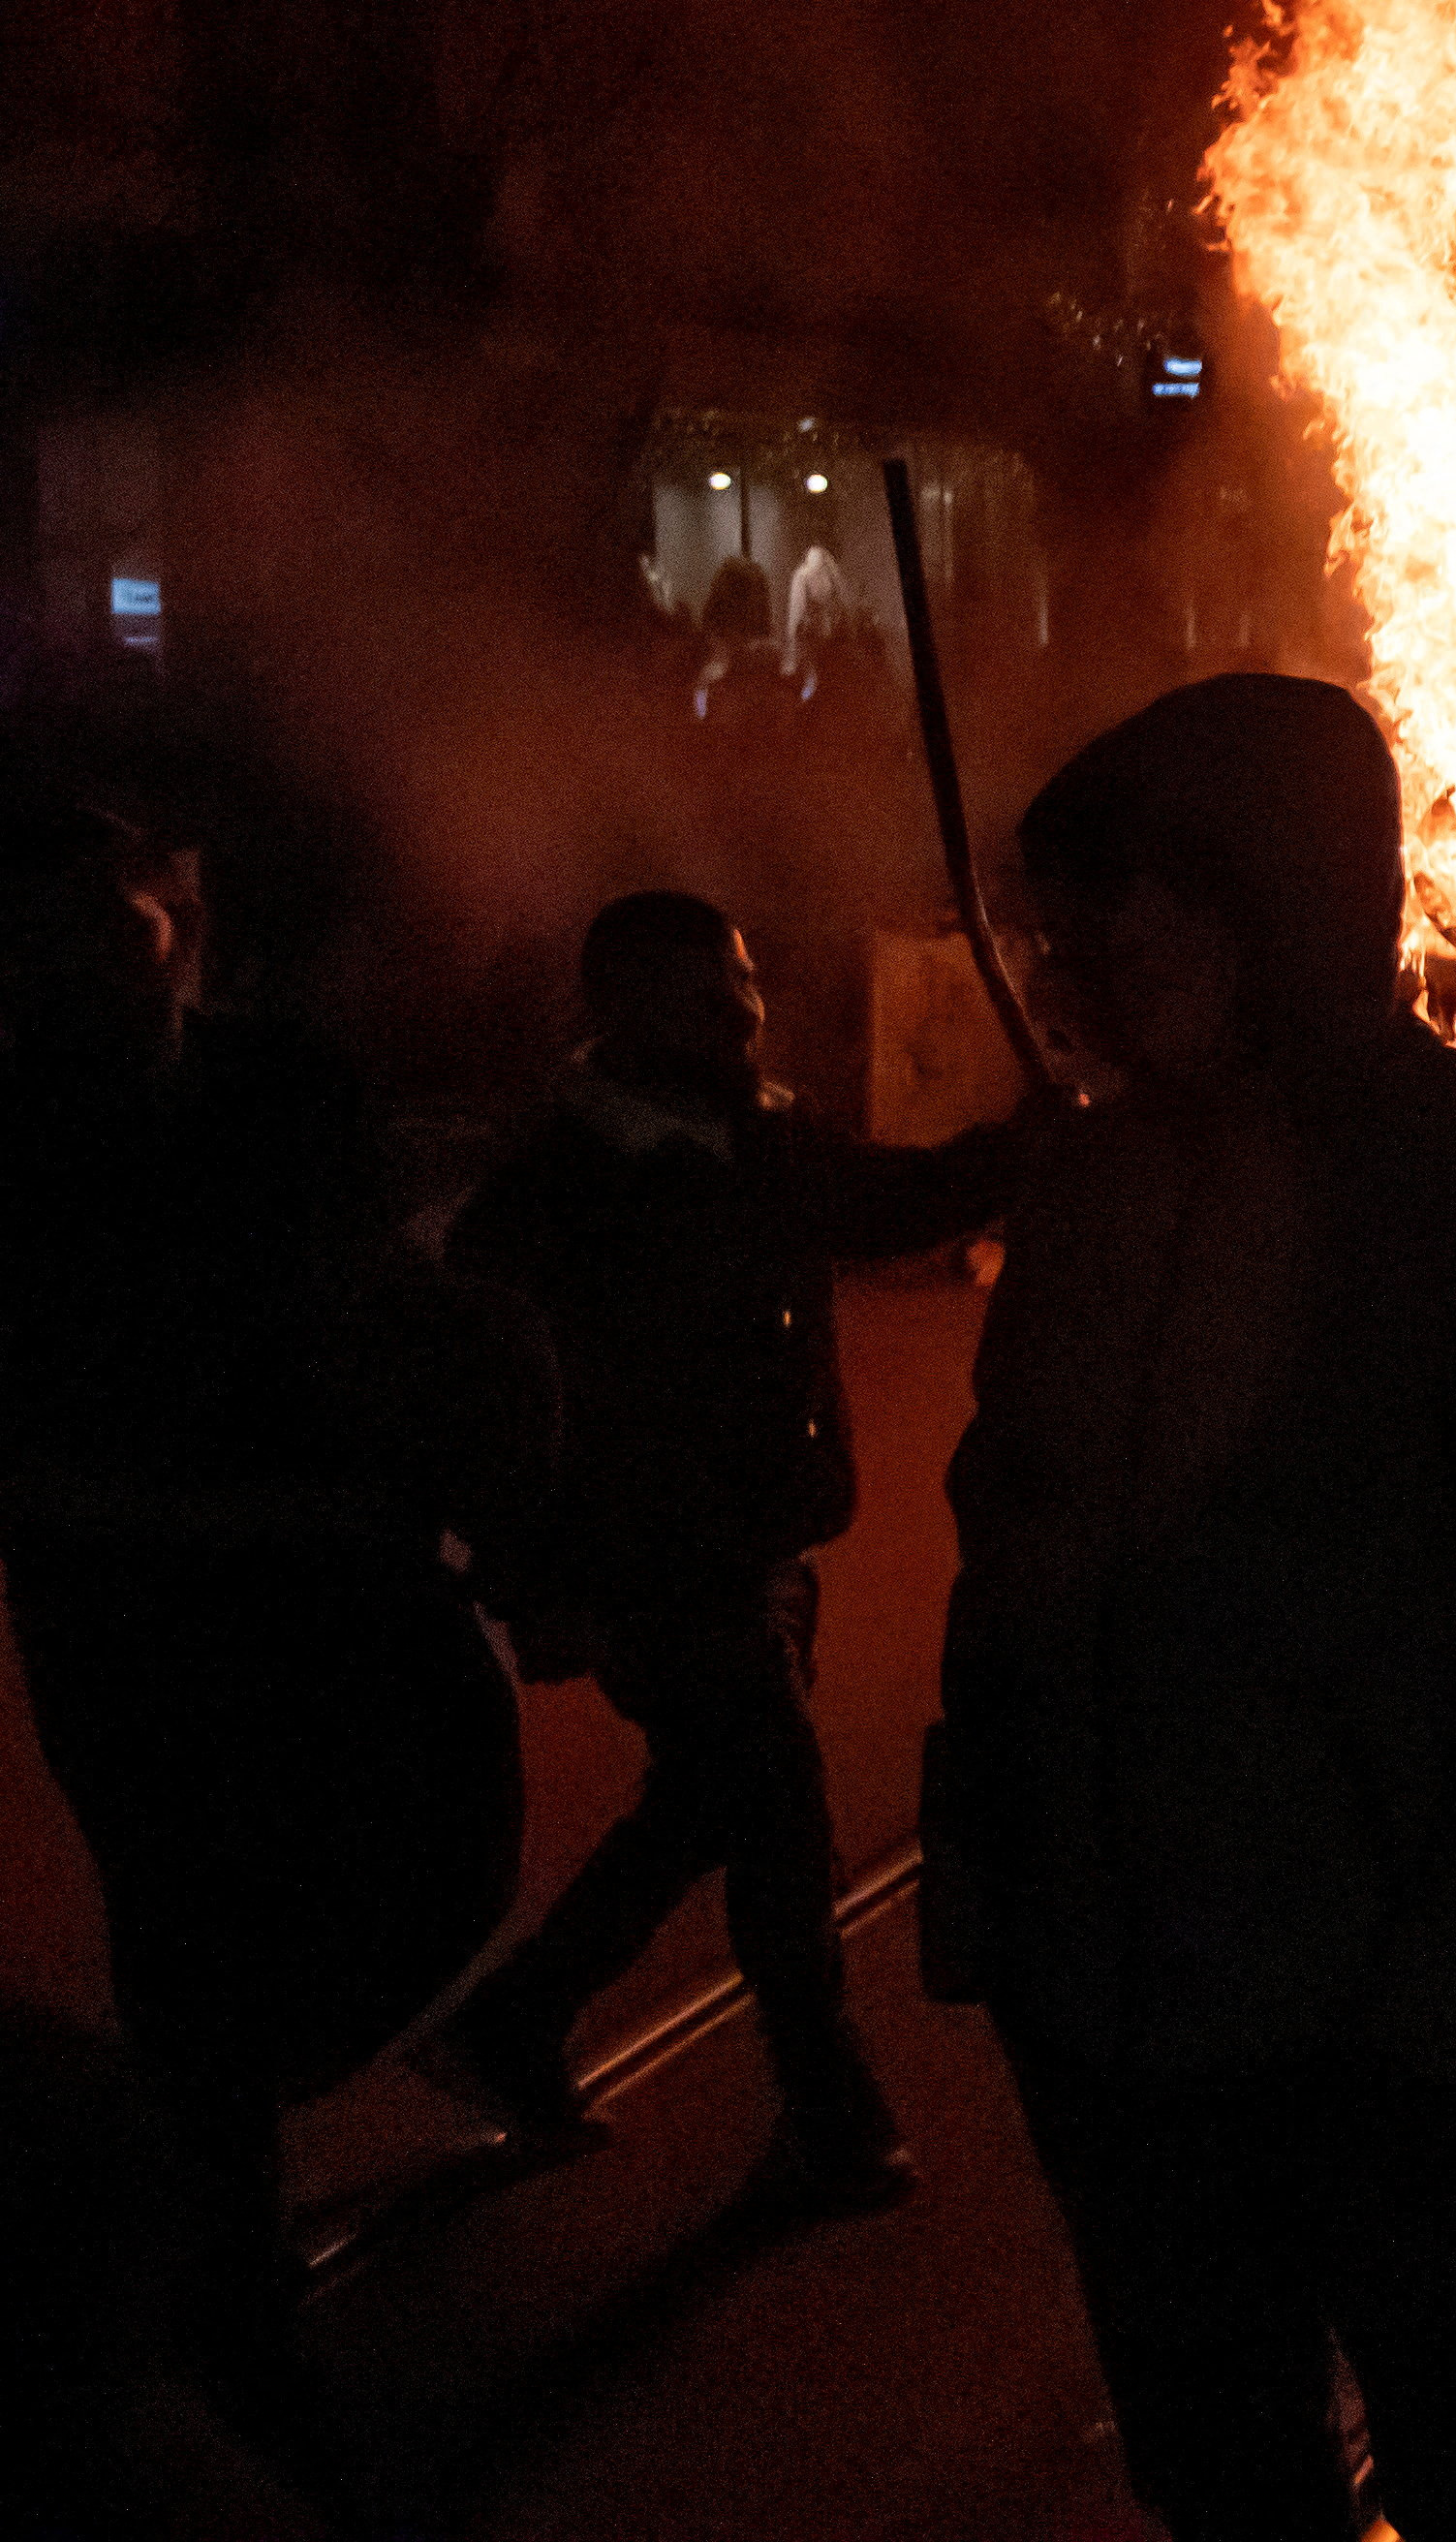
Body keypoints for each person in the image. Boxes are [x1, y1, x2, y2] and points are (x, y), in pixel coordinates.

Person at [929, 676, 1456, 2542]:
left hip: (1383, 2024)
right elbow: (1012, 1541)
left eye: (1129, 901)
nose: (1082, 953)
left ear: (1278, 901)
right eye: (1067, 910)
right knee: (1220, 2470)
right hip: (1111, 2006)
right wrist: (996, 1868)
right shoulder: (1095, 1180)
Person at [0, 795, 538, 2467]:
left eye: (131, 899)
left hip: (338, 1586)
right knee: (193, 1950)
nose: (122, 934)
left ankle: (214, 2170)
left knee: (437, 1838)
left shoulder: (284, 1088)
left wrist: (491, 1406)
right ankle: (232, 2315)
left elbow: (379, 1302)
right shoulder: (18, 1140)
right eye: (68, 914)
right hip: (139, 1608)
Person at [424, 889, 1022, 2210]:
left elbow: (889, 1203)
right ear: (619, 1009)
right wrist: (533, 1585)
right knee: (783, 1824)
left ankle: (513, 2025)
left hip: (755, 1551)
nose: (743, 1012)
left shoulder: (761, 1134)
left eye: (744, 983)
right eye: (705, 994)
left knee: (707, 1807)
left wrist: (1025, 1149)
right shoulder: (552, 1196)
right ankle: (830, 2112)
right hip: (647, 1567)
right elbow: (489, 1409)